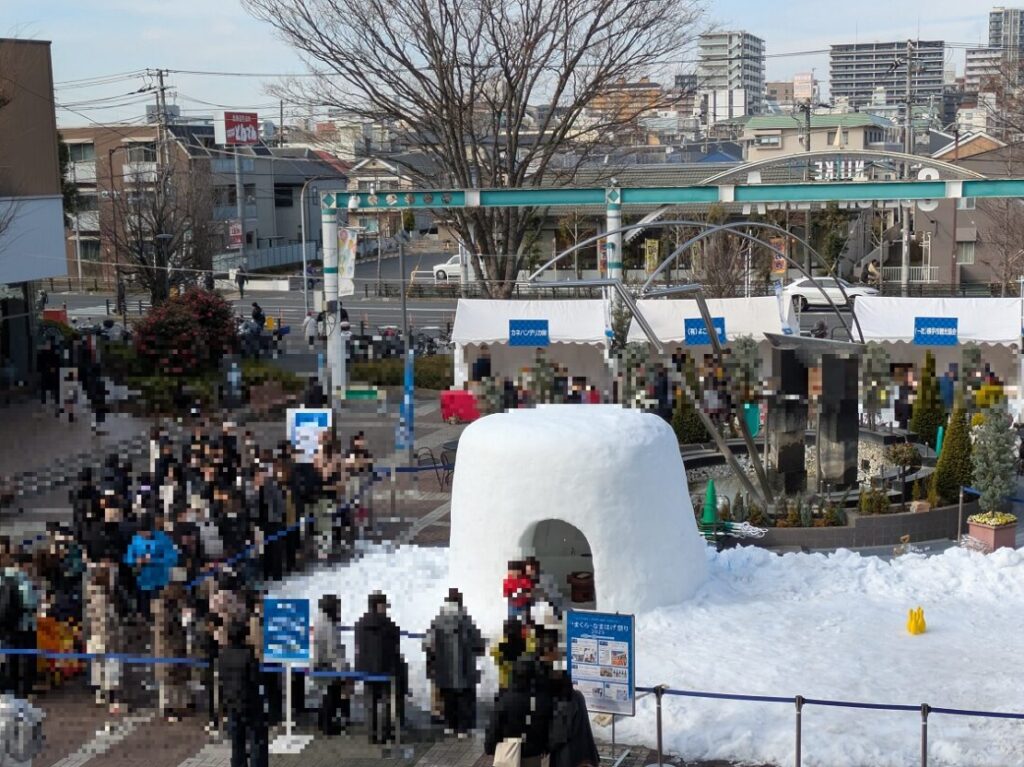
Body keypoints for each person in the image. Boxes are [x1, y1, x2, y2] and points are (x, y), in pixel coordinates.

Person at [423, 589, 484, 738]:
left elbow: (427, 644)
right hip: (464, 668)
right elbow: (478, 643)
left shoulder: (437, 621)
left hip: (444, 669)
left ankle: (450, 725)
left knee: (448, 696)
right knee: (464, 698)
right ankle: (463, 729)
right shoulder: (466, 620)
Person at [354, 591, 406, 744]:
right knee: (385, 702)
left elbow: (359, 647)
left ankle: (371, 734)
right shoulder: (388, 625)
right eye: (384, 605)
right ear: (379, 606)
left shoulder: (360, 624)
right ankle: (385, 734)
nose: (386, 609)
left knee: (370, 702)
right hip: (385, 668)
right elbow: (395, 646)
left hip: (367, 669)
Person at [484, 657, 554, 767]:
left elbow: (495, 724)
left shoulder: (504, 698)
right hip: (532, 752)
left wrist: (490, 746)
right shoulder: (540, 698)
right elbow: (546, 725)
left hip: (507, 751)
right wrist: (545, 746)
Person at [217, 620, 268, 767]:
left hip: (231, 701)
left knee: (237, 741)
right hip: (250, 702)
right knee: (256, 739)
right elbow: (256, 678)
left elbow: (221, 680)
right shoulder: (248, 655)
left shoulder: (223, 655)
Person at [122, 517, 179, 619]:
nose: (142, 536)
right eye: (140, 533)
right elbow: (127, 558)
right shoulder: (136, 540)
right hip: (143, 582)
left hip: (159, 582)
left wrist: (153, 561)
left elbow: (172, 559)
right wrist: (136, 561)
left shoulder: (163, 539)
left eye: (144, 533)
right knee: (144, 612)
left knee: (159, 612)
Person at [312, 594, 351, 736]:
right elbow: (333, 649)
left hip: (317, 662)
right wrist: (342, 668)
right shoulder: (328, 624)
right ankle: (328, 726)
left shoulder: (319, 620)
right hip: (326, 664)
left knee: (325, 695)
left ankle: (323, 723)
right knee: (330, 696)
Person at [153, 583, 190, 721]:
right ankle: (168, 708)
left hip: (176, 646)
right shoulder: (163, 609)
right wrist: (181, 620)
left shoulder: (173, 607)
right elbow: (165, 629)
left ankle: (179, 704)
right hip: (167, 648)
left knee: (178, 677)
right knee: (168, 678)